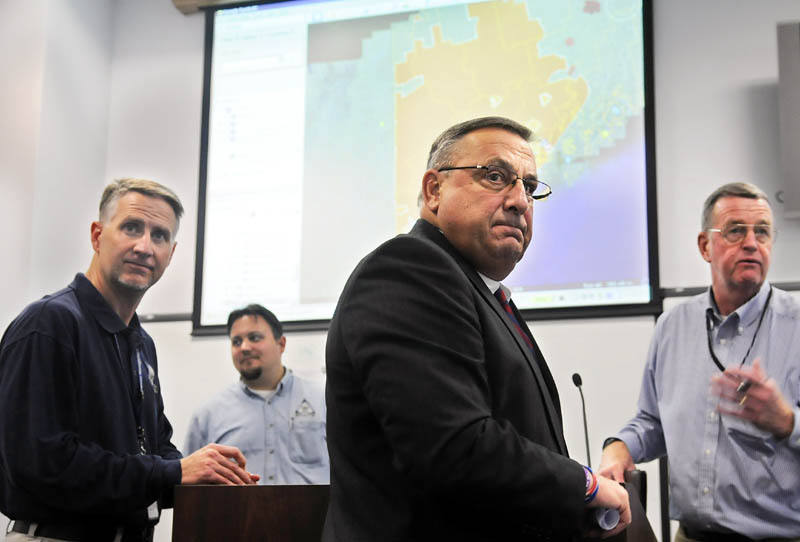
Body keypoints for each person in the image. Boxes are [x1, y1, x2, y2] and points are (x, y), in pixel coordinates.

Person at [323, 117, 631, 541]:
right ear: (434, 190)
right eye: (495, 177)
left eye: (530, 186)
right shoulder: (410, 269)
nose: (520, 201)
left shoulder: (484, 294)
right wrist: (586, 486)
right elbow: (455, 447)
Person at [0, 178, 257, 542]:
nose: (144, 246)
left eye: (160, 236)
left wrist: (205, 472)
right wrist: (172, 473)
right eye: (132, 228)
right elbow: (43, 463)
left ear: (171, 252)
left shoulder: (142, 344)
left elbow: (153, 447)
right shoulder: (49, 324)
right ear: (97, 235)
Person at [600, 182, 800, 541]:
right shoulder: (673, 326)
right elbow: (653, 422)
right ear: (705, 246)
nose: (752, 243)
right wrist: (619, 445)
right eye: (736, 231)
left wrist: (787, 422)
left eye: (763, 232)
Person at [184, 304, 328, 484]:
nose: (244, 347)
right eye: (236, 341)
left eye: (254, 337)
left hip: (314, 511)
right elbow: (190, 488)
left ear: (281, 344)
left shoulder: (323, 400)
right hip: (239, 512)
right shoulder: (208, 415)